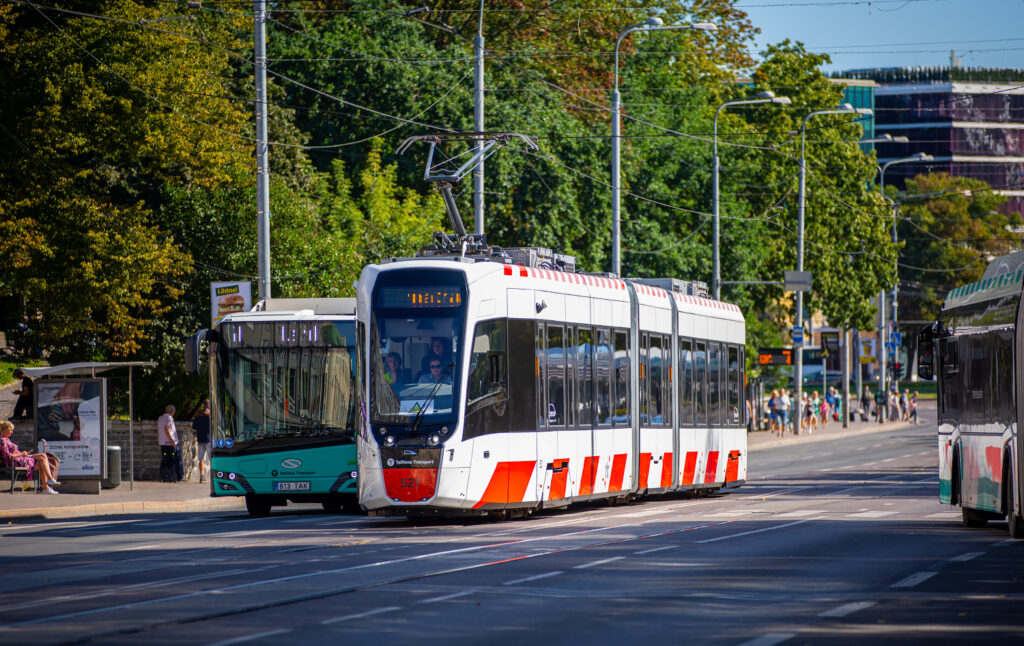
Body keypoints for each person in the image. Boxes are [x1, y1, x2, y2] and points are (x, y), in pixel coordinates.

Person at [0, 420, 60, 493]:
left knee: (42, 461)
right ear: (4, 429)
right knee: (43, 457)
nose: (12, 432)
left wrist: (24, 454)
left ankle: (47, 488)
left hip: (20, 458)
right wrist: (21, 454)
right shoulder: (2, 440)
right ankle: (49, 482)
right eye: (10, 430)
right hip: (16, 461)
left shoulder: (7, 439)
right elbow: (8, 456)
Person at [157, 405, 182, 482]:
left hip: (162, 443)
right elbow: (166, 429)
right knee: (174, 459)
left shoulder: (160, 418)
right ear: (171, 411)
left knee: (165, 459)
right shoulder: (169, 418)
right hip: (170, 444)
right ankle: (175, 476)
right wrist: (172, 441)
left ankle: (164, 476)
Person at [193, 400, 211, 484]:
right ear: (209, 406)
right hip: (209, 439)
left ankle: (201, 475)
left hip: (200, 438)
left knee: (201, 459)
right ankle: (214, 475)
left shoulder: (197, 415)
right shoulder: (211, 415)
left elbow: (194, 427)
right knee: (212, 458)